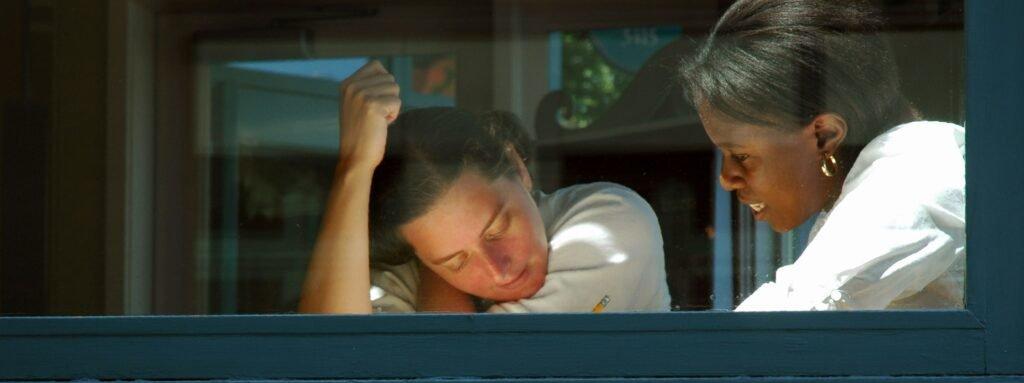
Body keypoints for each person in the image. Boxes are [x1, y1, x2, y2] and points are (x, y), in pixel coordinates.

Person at [299, 61, 671, 314]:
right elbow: (327, 362)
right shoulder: (408, 268)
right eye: (456, 261)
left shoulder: (610, 224)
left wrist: (445, 261)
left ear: (516, 164)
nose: (499, 270)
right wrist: (354, 168)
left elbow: (468, 381)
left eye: (496, 228)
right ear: (422, 258)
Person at [681, 0, 965, 311]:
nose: (726, 179)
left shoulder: (910, 181)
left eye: (741, 156)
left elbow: (788, 320)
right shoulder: (902, 168)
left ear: (824, 135)